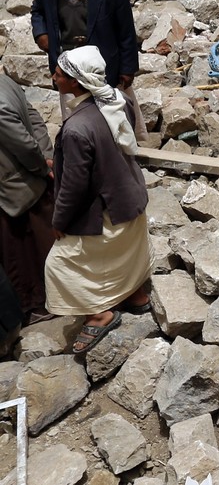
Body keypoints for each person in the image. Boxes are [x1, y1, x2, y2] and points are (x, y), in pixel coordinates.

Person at [43, 46, 151, 355]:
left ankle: (100, 313)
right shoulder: (117, 100)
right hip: (131, 199)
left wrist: (59, 221)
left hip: (110, 211)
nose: (54, 77)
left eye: (60, 74)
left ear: (76, 82)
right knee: (125, 252)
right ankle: (135, 294)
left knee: (59, 264)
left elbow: (75, 186)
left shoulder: (76, 128)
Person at [0, 70, 53, 324]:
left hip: (14, 186)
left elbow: (22, 143)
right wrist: (45, 155)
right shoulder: (5, 80)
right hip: (29, 180)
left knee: (19, 254)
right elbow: (34, 118)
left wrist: (41, 164)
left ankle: (36, 306)